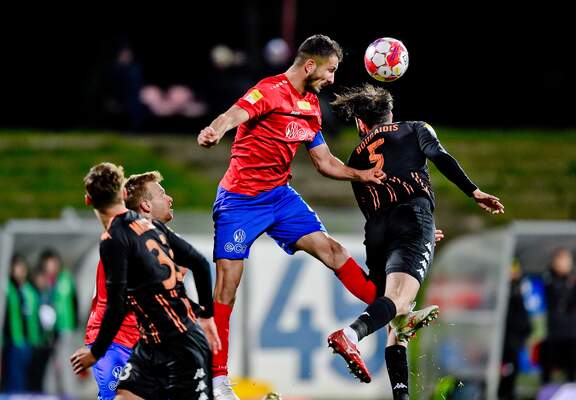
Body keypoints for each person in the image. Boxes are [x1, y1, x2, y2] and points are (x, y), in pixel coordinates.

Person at [197, 34, 387, 400]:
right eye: (330, 70)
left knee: (333, 251)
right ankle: (218, 383)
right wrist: (215, 130)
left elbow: (325, 162)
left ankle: (391, 309)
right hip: (240, 202)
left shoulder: (311, 106)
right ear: (310, 65)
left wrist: (361, 175)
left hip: (281, 198)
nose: (332, 79)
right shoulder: (269, 91)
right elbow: (235, 114)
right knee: (227, 288)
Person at [326, 84, 505, 399]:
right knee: (398, 301)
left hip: (378, 231)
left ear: (361, 124)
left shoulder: (355, 156)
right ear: (390, 113)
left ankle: (401, 396)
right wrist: (473, 191)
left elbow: (372, 208)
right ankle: (351, 334)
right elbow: (440, 156)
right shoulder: (415, 128)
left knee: (399, 318)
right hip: (411, 217)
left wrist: (412, 231)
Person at [70, 162, 219, 400]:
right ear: (123, 193)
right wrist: (206, 316)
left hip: (173, 342)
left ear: (89, 201)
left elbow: (121, 304)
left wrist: (94, 353)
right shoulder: (151, 230)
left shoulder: (114, 239)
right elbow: (200, 264)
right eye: (162, 193)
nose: (169, 198)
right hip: (143, 343)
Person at [83, 170, 181, 400]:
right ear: (146, 205)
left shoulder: (160, 241)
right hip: (116, 343)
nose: (169, 199)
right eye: (162, 194)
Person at [539, 247, 576, 384]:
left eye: (567, 260)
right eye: (562, 259)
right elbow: (554, 296)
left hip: (571, 332)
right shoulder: (549, 278)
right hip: (553, 331)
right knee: (548, 365)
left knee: (571, 367)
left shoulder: (572, 279)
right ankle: (546, 389)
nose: (565, 263)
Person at [498, 260, 532, 400]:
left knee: (510, 377)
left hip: (512, 344)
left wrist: (523, 334)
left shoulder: (518, 290)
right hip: (501, 342)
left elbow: (523, 320)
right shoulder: (499, 289)